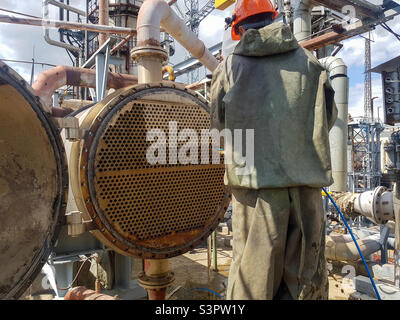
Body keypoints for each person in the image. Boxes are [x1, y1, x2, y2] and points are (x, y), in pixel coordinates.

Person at [210, 0, 338, 300]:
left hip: (256, 193)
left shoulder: (229, 68)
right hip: (307, 189)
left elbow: (217, 127)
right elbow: (328, 119)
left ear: (239, 29)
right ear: (275, 19)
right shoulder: (311, 62)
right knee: (305, 281)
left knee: (253, 282)